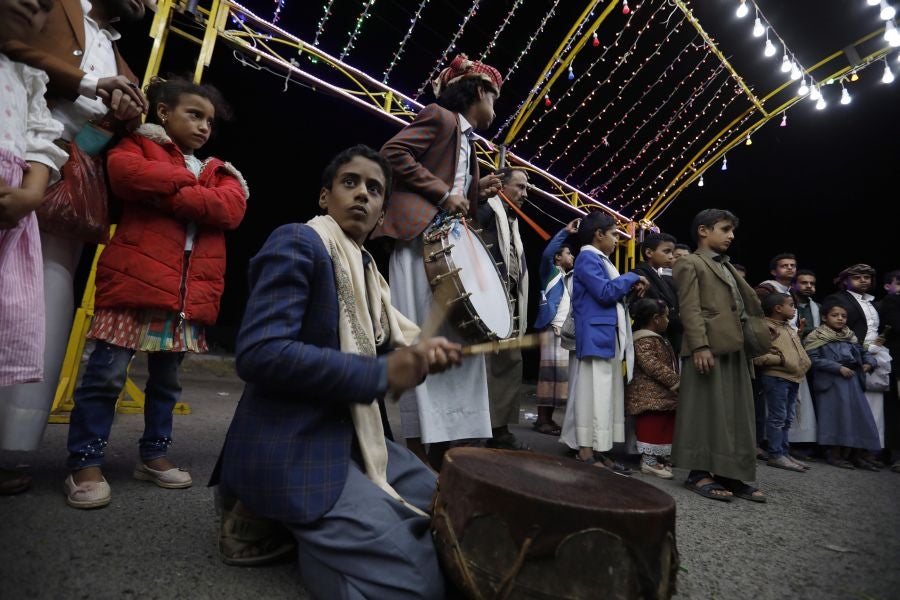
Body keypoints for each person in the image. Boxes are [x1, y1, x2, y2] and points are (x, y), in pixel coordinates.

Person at [218, 145, 461, 598]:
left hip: (352, 438)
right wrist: (381, 372)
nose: (362, 195)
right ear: (325, 197)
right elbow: (260, 353)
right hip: (295, 442)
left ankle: (304, 528)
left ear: (381, 215)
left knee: (455, 510)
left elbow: (391, 346)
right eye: (350, 182)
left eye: (375, 190)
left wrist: (425, 356)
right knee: (418, 582)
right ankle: (277, 520)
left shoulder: (370, 273)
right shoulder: (299, 241)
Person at [62, 77, 248, 509]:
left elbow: (232, 209)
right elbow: (126, 177)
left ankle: (154, 455)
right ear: (163, 113)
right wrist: (195, 191)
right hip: (133, 284)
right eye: (194, 115)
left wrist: (169, 191)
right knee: (105, 376)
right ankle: (84, 461)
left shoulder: (219, 169)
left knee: (166, 382)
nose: (204, 126)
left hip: (184, 297)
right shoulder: (135, 145)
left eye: (209, 121)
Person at [0, 0, 148, 469]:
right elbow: (15, 48)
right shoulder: (45, 6)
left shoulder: (124, 60)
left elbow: (119, 124)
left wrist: (129, 109)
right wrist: (90, 83)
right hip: (11, 144)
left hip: (62, 176)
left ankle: (13, 448)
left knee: (47, 307)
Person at [377, 53, 503, 468]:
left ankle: (446, 446)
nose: (495, 109)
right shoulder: (441, 118)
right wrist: (442, 192)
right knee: (421, 338)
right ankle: (417, 451)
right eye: (494, 97)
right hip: (419, 244)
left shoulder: (467, 141)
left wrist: (474, 191)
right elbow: (393, 153)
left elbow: (455, 194)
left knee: (455, 343)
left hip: (444, 245)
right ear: (479, 91)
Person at [0, 0, 69, 495]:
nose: (36, 5)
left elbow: (41, 138)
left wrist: (29, 194)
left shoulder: (27, 74)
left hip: (15, 206)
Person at [671, 208, 766, 503]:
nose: (731, 235)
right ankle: (698, 472)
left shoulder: (725, 266)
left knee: (735, 413)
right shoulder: (690, 263)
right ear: (703, 230)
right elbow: (689, 307)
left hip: (733, 347)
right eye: (725, 229)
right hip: (708, 347)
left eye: (731, 230)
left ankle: (727, 471)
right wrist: (699, 345)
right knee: (704, 409)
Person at [559, 211, 648, 472]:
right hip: (596, 338)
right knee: (591, 396)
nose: (615, 240)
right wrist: (632, 277)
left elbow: (612, 298)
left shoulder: (598, 259)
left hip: (606, 337)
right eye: (613, 234)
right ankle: (586, 452)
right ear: (599, 235)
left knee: (605, 397)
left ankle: (599, 450)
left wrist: (630, 287)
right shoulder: (588, 257)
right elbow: (605, 293)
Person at [476, 167, 530, 450]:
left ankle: (500, 431)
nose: (524, 194)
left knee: (509, 365)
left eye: (526, 188)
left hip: (509, 306)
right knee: (484, 369)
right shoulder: (486, 211)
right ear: (500, 186)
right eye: (519, 187)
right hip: (485, 305)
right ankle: (480, 431)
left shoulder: (510, 220)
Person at [804, 301, 881, 470]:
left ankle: (856, 454)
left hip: (851, 381)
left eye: (843, 316)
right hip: (831, 382)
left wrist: (869, 362)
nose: (840, 319)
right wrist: (838, 368)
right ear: (824, 317)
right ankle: (835, 454)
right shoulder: (816, 336)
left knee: (858, 417)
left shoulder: (849, 336)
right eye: (835, 315)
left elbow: (863, 353)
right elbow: (813, 359)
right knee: (837, 418)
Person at [824, 264, 886, 466]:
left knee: (869, 409)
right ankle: (843, 452)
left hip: (871, 356)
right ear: (845, 280)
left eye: (867, 277)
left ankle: (863, 451)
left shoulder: (875, 303)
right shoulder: (838, 299)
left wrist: (871, 357)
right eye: (858, 277)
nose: (864, 280)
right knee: (847, 407)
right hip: (847, 355)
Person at [752, 293, 812, 473]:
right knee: (777, 418)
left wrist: (804, 362)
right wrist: (782, 360)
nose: (794, 308)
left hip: (792, 377)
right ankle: (775, 454)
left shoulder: (788, 327)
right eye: (791, 305)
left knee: (787, 418)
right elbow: (756, 356)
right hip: (776, 377)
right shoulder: (766, 327)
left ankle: (784, 452)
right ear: (778, 308)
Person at [532, 219, 578, 435]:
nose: (572, 257)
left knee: (557, 379)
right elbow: (545, 254)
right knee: (548, 377)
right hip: (551, 329)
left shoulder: (567, 278)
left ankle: (547, 419)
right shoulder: (550, 271)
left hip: (562, 333)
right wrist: (565, 233)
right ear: (558, 258)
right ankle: (542, 421)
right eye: (569, 253)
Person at [626, 298, 679, 479]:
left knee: (661, 426)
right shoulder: (644, 339)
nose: (668, 320)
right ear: (656, 318)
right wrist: (674, 380)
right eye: (666, 317)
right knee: (651, 426)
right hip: (649, 394)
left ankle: (656, 457)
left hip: (661, 393)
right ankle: (648, 462)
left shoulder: (657, 339)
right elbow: (651, 364)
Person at [630, 231, 682, 353]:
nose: (671, 256)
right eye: (666, 251)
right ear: (649, 253)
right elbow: (640, 307)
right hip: (650, 340)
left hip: (664, 337)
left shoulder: (661, 277)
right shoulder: (638, 275)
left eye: (672, 253)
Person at [788, 268, 820, 453]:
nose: (809, 286)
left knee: (807, 403)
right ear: (794, 285)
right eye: (804, 282)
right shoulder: (787, 304)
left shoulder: (817, 307)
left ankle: (805, 443)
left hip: (812, 358)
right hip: (791, 356)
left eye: (812, 283)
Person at [877, 270, 900, 472]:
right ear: (887, 286)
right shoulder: (892, 302)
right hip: (896, 364)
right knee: (895, 410)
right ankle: (895, 455)